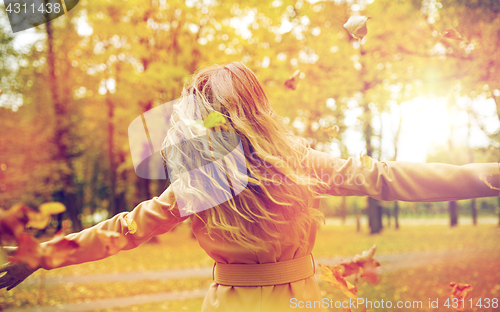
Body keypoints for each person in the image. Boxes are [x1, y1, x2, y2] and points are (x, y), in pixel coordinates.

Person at [0, 62, 499, 312]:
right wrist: (487, 175)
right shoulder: (289, 165)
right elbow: (384, 176)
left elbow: (122, 231)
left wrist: (41, 254)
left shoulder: (207, 180)